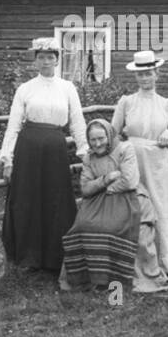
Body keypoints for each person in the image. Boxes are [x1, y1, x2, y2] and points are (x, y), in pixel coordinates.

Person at [0, 37, 89, 273]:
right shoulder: (25, 89)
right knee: (28, 199)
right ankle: (28, 256)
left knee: (56, 199)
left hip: (55, 149)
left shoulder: (68, 88)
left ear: (57, 60)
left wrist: (84, 151)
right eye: (41, 57)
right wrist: (7, 158)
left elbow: (77, 122)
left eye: (50, 57)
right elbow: (14, 125)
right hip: (28, 148)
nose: (46, 61)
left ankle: (54, 257)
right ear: (35, 61)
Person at [111, 50, 168, 276]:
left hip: (159, 164)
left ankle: (166, 261)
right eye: (140, 74)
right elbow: (113, 134)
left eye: (148, 73)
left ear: (157, 74)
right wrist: (123, 155)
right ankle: (136, 261)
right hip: (133, 160)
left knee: (162, 207)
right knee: (136, 206)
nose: (145, 78)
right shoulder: (127, 102)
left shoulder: (166, 104)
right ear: (135, 77)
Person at [60, 119, 141, 290]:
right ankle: (87, 278)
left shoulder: (125, 149)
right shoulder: (89, 158)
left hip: (123, 198)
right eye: (93, 140)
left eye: (101, 138)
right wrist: (106, 179)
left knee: (110, 227)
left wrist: (109, 188)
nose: (97, 144)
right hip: (96, 200)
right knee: (82, 226)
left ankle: (113, 280)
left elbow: (129, 181)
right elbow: (86, 188)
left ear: (109, 136)